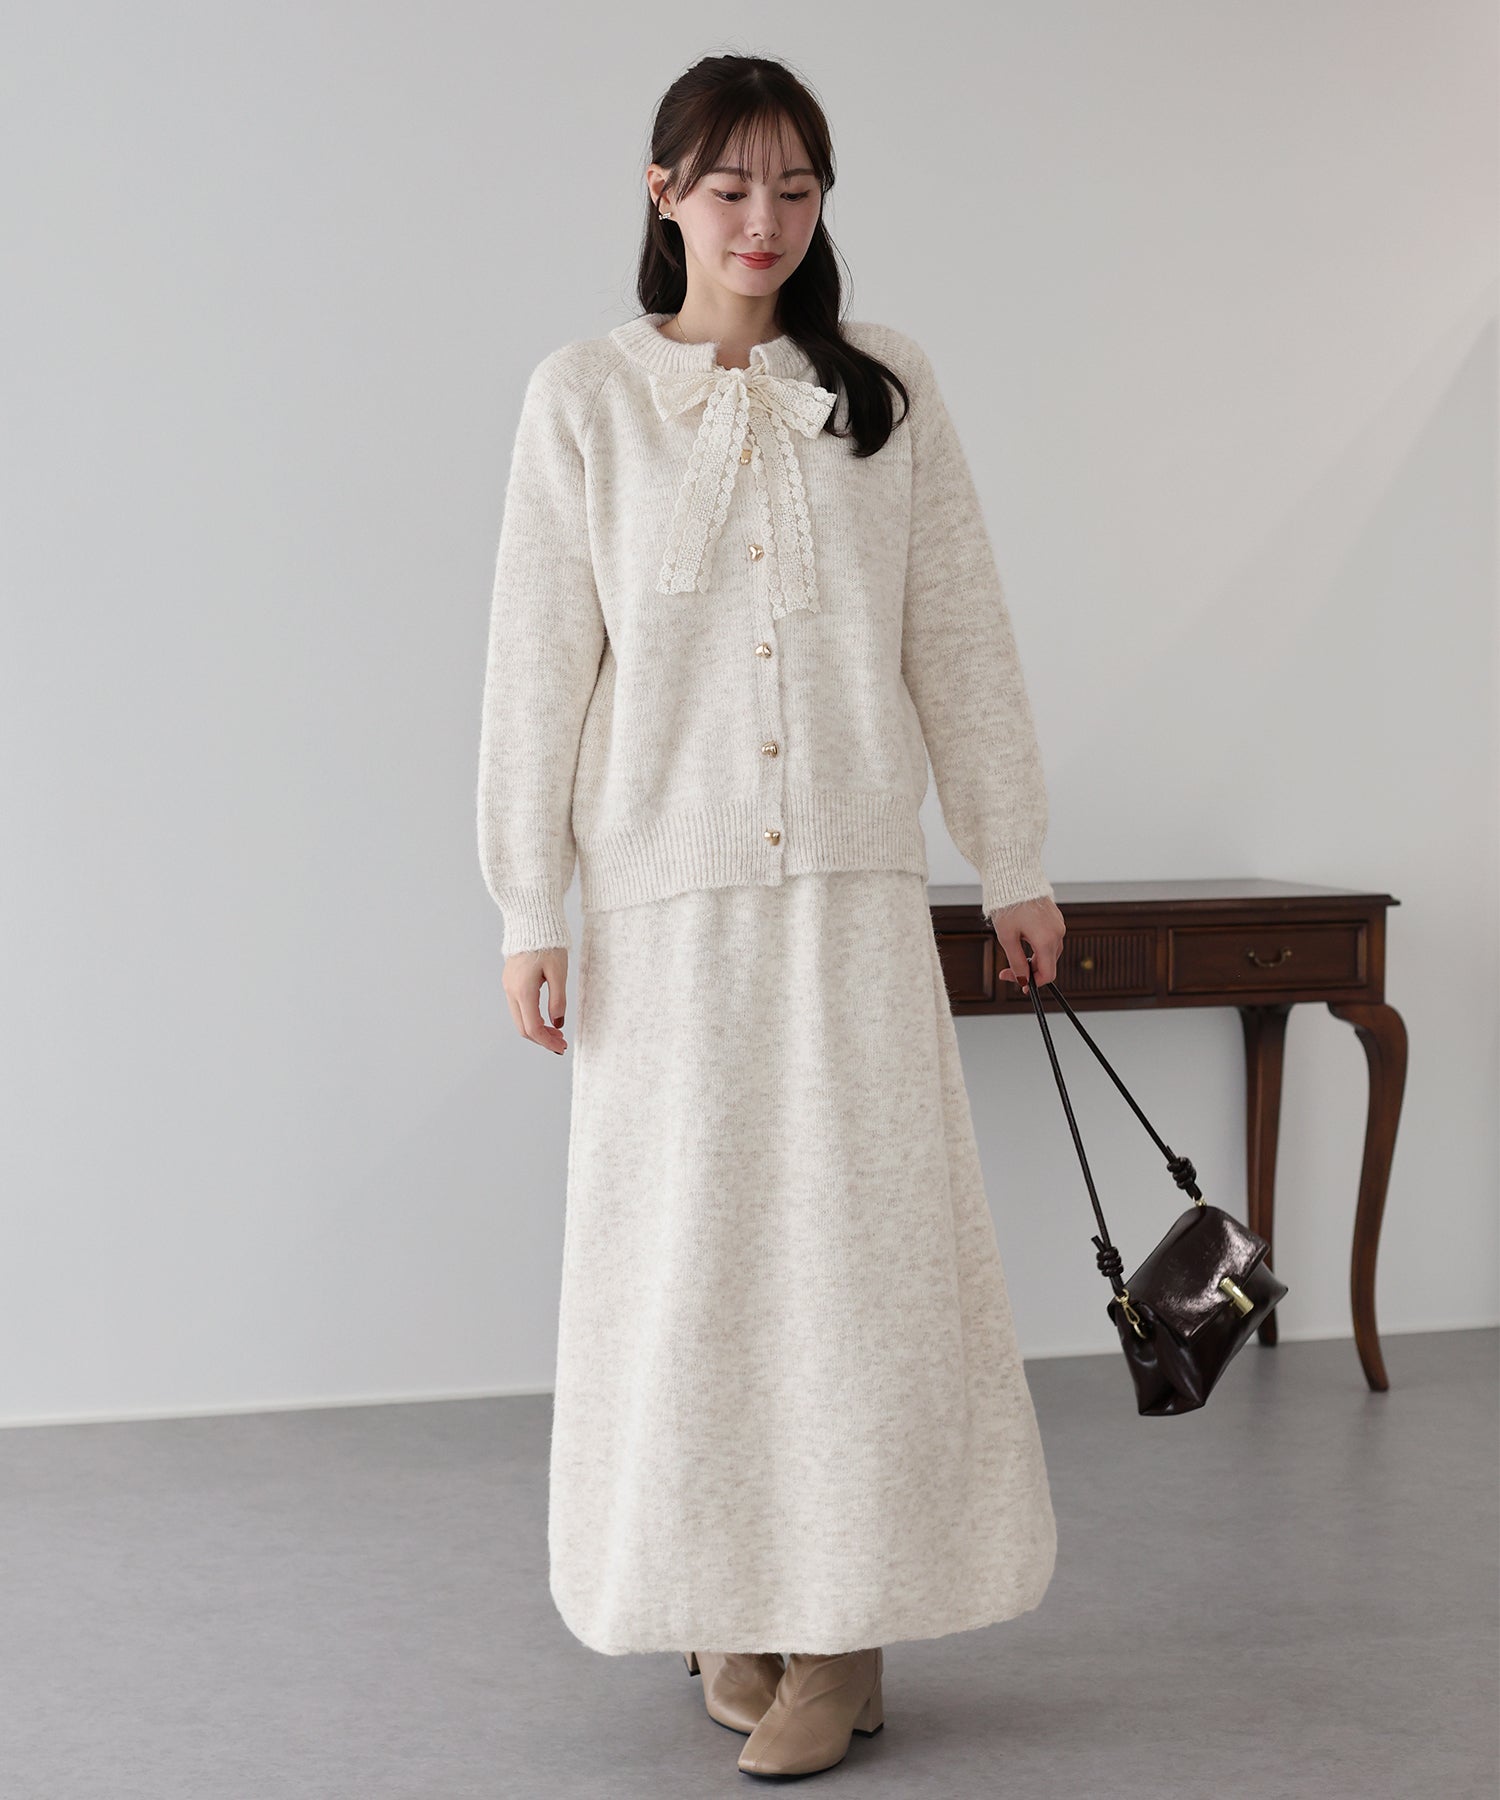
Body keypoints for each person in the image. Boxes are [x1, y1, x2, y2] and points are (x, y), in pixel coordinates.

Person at [477, 51, 1066, 1781]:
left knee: (854, 1276)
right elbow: (537, 665)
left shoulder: (887, 386)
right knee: (687, 1275)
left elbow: (958, 629)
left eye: (796, 189)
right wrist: (528, 904)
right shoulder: (584, 399)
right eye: (730, 187)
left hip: (852, 905)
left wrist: (1011, 859)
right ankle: (722, 1599)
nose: (765, 220)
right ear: (663, 193)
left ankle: (842, 1633)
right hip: (663, 913)